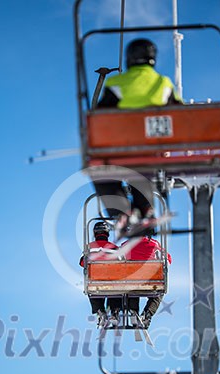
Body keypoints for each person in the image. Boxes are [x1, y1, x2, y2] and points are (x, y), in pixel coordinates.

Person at [93, 38, 182, 237]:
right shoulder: (163, 83)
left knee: (101, 172)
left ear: (129, 59)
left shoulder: (117, 83)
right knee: (143, 168)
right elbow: (180, 115)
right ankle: (146, 210)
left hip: (122, 149)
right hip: (153, 150)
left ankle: (122, 212)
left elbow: (100, 117)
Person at [121, 232, 172, 328]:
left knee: (130, 289)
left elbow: (117, 259)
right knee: (158, 294)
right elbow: (168, 258)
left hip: (132, 283)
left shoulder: (127, 245)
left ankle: (133, 311)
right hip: (151, 283)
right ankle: (147, 315)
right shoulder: (154, 244)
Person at [80, 222, 121, 326]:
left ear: (95, 233)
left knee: (93, 288)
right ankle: (114, 311)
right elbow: (122, 264)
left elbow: (82, 263)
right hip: (112, 282)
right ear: (107, 233)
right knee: (117, 288)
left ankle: (100, 311)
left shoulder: (89, 247)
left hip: (95, 281)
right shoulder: (114, 248)